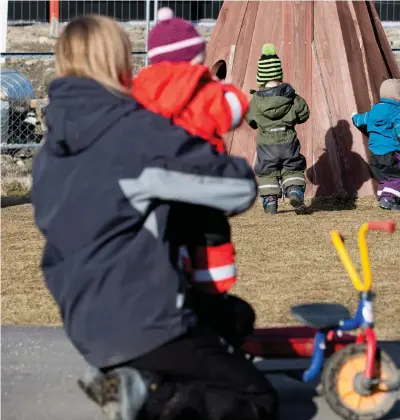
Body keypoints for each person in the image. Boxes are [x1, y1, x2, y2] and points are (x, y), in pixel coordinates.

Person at [31, 14, 278, 420]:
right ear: (120, 64)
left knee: (234, 318)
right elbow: (235, 190)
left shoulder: (51, 150)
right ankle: (148, 394)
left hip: (83, 318)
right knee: (257, 402)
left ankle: (119, 376)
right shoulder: (132, 132)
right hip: (145, 315)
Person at [132, 7, 254, 348]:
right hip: (202, 186)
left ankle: (175, 285)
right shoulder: (206, 92)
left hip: (158, 190)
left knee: (171, 240)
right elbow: (235, 109)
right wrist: (223, 87)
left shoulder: (140, 91)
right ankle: (212, 286)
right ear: (194, 56)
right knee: (210, 235)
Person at [244, 43, 310, 215]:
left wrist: (257, 123)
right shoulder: (292, 97)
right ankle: (294, 190)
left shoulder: (256, 101)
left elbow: (249, 118)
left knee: (267, 172)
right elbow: (303, 113)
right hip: (288, 140)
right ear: (279, 75)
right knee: (292, 167)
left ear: (261, 78)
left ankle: (270, 201)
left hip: (266, 144)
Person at [351, 78, 400, 211]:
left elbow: (361, 120)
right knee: (397, 174)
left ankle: (383, 197)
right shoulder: (397, 112)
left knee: (384, 176)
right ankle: (389, 199)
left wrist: (354, 116)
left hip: (375, 153)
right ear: (399, 96)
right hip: (391, 152)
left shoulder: (374, 110)